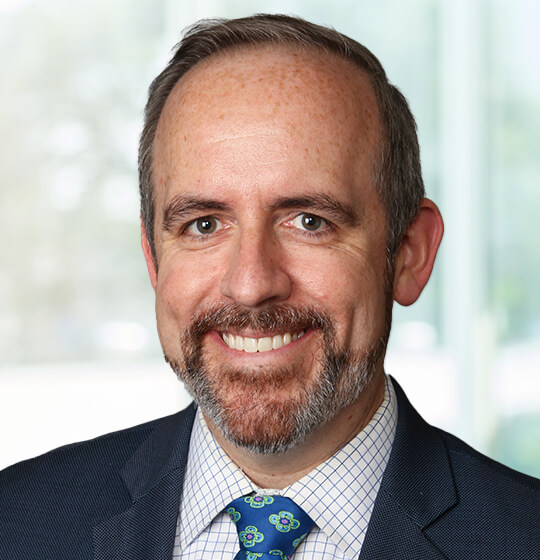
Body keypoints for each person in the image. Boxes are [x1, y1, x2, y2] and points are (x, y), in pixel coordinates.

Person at [1, 14, 539, 560]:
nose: (251, 284)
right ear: (154, 260)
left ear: (409, 252)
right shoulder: (17, 525)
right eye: (203, 225)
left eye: (309, 221)